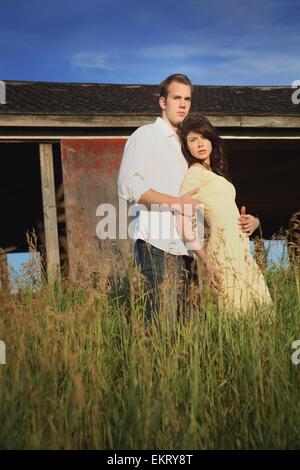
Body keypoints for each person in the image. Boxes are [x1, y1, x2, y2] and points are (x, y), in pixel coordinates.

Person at [177, 114, 272, 313]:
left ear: (211, 138)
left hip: (242, 252)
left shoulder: (214, 173)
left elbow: (227, 211)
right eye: (193, 140)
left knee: (260, 312)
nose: (200, 144)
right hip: (221, 254)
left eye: (203, 137)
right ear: (187, 147)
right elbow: (181, 223)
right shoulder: (194, 173)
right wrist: (206, 260)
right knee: (234, 313)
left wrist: (252, 222)